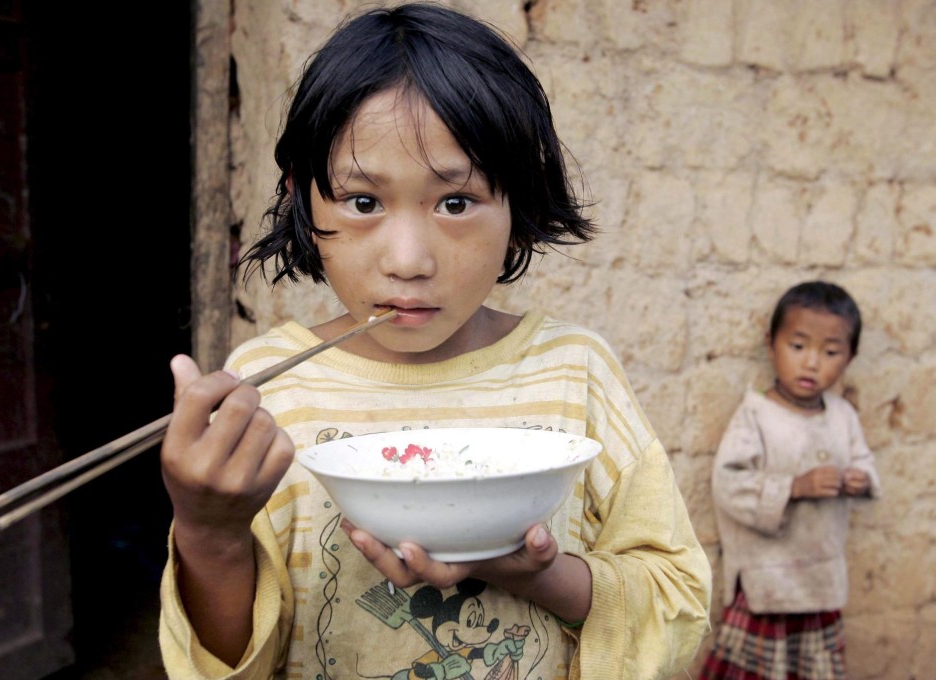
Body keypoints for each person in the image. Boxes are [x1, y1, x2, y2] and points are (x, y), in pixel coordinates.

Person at [158, 4, 711, 679]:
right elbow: (234, 661)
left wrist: (536, 575)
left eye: (455, 203)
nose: (409, 261)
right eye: (363, 202)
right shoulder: (268, 386)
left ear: (519, 203)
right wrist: (209, 533)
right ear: (302, 199)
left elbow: (677, 604)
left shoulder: (574, 372)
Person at [700, 281, 881, 680]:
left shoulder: (842, 415)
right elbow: (728, 482)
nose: (812, 363)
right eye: (798, 347)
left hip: (821, 583)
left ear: (850, 357)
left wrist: (859, 479)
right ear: (771, 344)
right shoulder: (756, 414)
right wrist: (794, 487)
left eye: (831, 352)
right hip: (768, 583)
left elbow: (866, 465)